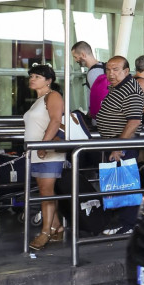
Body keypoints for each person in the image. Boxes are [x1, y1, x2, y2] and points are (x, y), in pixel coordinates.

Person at [24, 64, 66, 251]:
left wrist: (44, 144)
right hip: (37, 151)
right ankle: (57, 227)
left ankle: (45, 232)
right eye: (32, 75)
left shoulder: (53, 96)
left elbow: (56, 120)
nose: (33, 78)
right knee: (44, 190)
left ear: (49, 81)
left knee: (46, 191)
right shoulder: (38, 100)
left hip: (48, 150)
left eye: (38, 76)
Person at [92, 56, 142, 164]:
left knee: (124, 180)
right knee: (114, 180)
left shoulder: (130, 90)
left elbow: (134, 122)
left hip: (123, 147)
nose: (110, 74)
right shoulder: (118, 87)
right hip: (115, 143)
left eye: (115, 70)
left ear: (126, 71)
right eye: (108, 70)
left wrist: (118, 148)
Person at [71, 41, 107, 116]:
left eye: (75, 57)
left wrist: (91, 115)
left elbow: (97, 98)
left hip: (98, 118)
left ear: (83, 55)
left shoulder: (93, 72)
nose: (75, 60)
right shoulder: (102, 67)